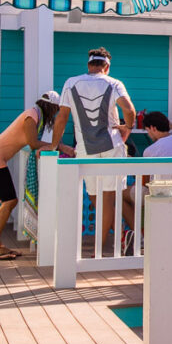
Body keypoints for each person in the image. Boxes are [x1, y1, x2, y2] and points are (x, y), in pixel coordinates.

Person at [51, 47, 136, 253]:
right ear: (106, 66)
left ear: (89, 65)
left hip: (85, 148)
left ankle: (108, 242)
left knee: (96, 197)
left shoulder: (71, 83)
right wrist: (127, 129)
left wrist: (54, 145)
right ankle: (105, 244)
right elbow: (129, 110)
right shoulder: (114, 83)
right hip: (111, 147)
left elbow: (61, 117)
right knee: (108, 197)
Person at [0, 91, 62, 260]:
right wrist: (57, 146)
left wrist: (54, 145)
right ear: (52, 107)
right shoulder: (31, 116)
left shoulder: (33, 114)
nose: (56, 114)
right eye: (56, 110)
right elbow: (33, 143)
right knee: (10, 201)